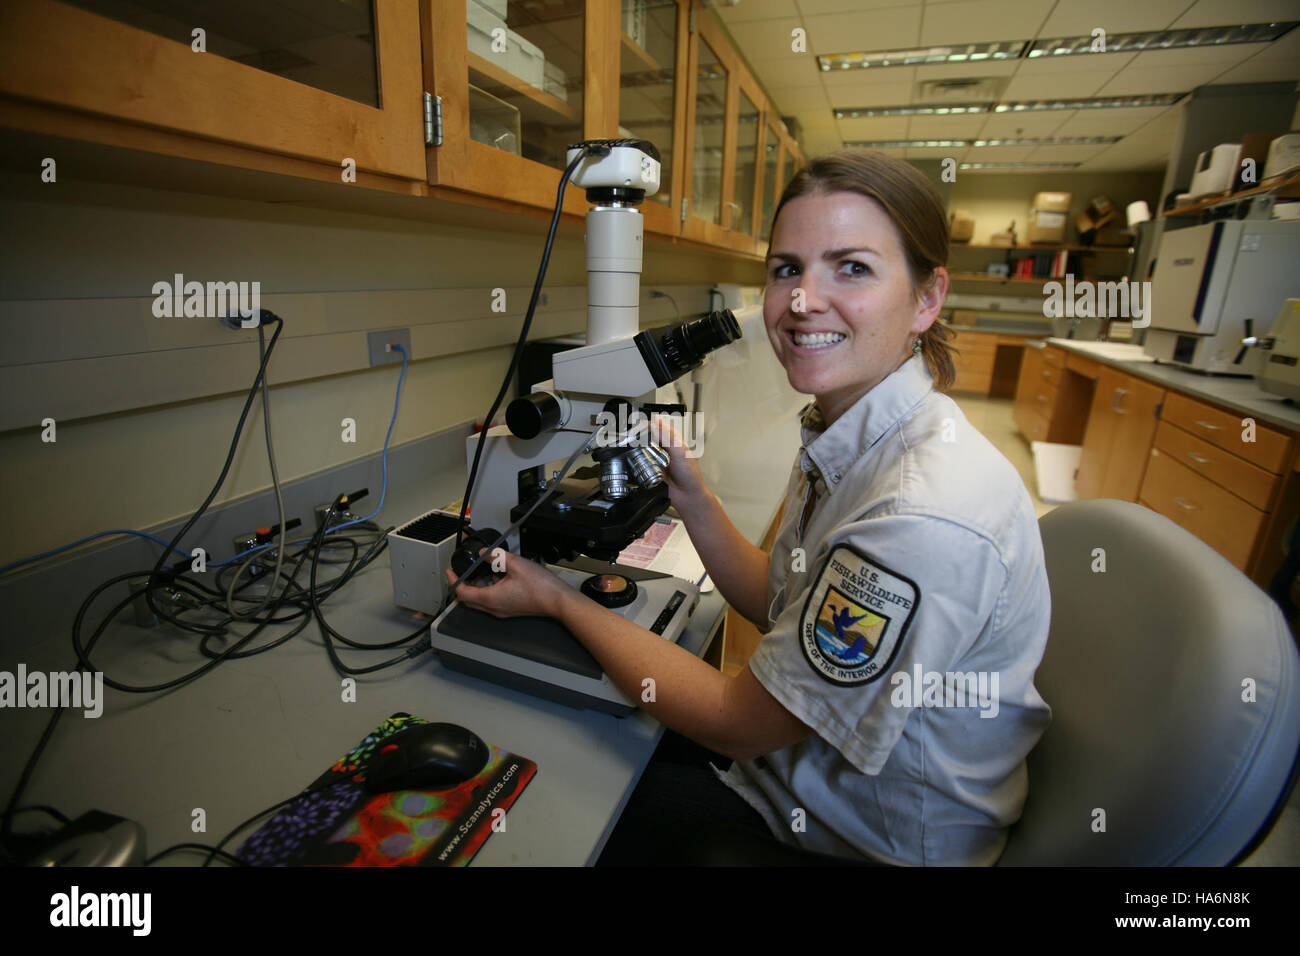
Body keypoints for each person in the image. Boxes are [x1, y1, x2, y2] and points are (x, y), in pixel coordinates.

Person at [447, 149, 1052, 866]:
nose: (802, 301)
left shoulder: (920, 514)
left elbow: (737, 723)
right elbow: (782, 601)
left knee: (563, 812)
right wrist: (695, 501)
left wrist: (556, 600)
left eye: (851, 267)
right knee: (596, 740)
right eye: (787, 269)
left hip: (859, 844)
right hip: (795, 780)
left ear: (927, 297)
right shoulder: (848, 426)